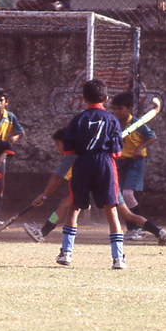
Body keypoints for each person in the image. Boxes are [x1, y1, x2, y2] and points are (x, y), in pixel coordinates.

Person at [23, 128, 159, 245]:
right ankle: (159, 232)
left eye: (57, 144)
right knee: (126, 214)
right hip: (107, 181)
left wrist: (44, 195)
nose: (57, 148)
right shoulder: (85, 150)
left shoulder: (71, 155)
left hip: (98, 184)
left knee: (67, 204)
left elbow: (57, 178)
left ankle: (44, 233)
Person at [56, 79, 127, 269]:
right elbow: (117, 153)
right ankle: (118, 258)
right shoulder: (112, 120)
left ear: (83, 98)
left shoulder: (78, 119)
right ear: (106, 98)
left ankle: (66, 253)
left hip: (82, 163)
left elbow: (68, 150)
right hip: (105, 164)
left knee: (75, 207)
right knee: (111, 209)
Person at [111, 92, 166, 245]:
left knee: (127, 194)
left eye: (120, 108)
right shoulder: (115, 124)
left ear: (129, 108)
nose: (117, 112)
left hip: (135, 162)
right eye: (115, 109)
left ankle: (140, 229)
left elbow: (152, 136)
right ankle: (133, 229)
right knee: (121, 198)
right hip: (120, 163)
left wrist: (139, 148)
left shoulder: (137, 123)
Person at [0, 87, 24, 198]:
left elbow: (20, 132)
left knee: (0, 185)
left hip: (1, 152)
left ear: (6, 102)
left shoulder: (10, 117)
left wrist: (13, 139)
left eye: (1, 100)